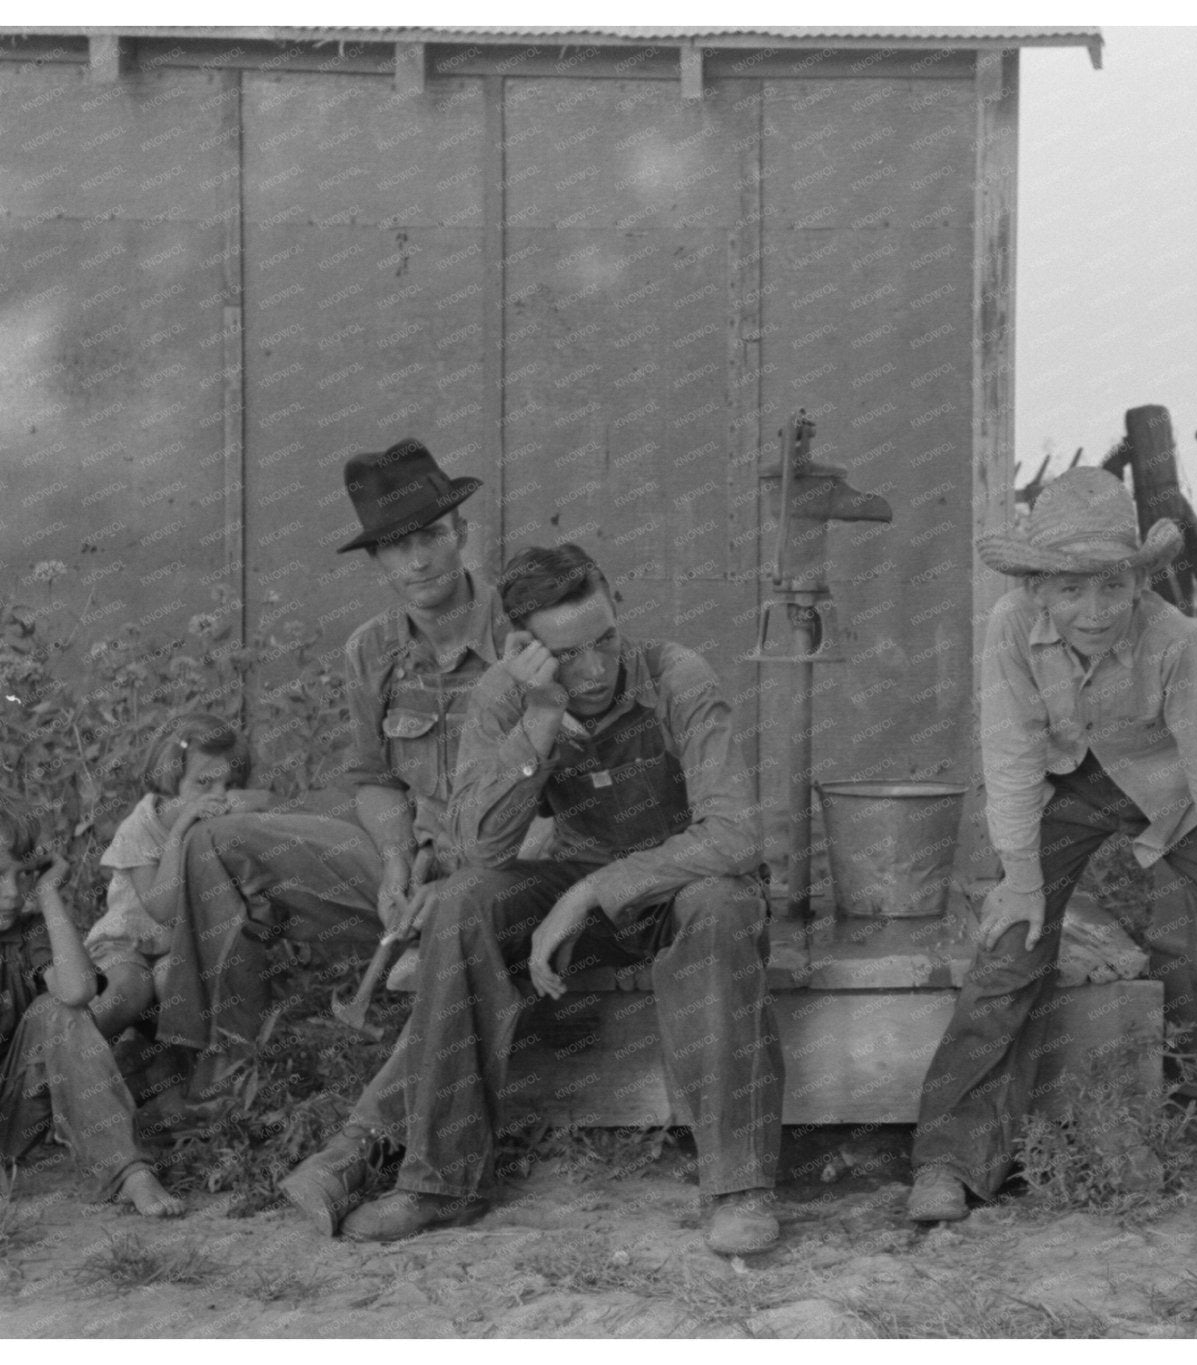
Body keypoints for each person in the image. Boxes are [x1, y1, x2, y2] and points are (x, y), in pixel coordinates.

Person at [280, 542, 782, 1253]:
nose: (595, 669)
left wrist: (587, 891)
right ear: (524, 647)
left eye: (605, 640)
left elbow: (734, 835)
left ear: (619, 610)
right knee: (463, 902)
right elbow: (480, 850)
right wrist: (541, 719)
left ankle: (738, 1184)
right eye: (566, 656)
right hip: (579, 896)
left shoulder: (678, 675)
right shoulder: (505, 696)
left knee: (723, 903)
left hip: (680, 890)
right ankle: (439, 1181)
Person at [906, 468, 1197, 1225]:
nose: (1094, 610)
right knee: (1010, 941)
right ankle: (951, 1158)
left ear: (1138, 584)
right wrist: (1019, 875)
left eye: (1111, 587)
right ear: (1038, 588)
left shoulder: (1174, 639)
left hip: (1168, 788)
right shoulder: (1009, 628)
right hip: (1058, 787)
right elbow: (1008, 751)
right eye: (1070, 590)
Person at [154, 439, 509, 1090]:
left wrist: (471, 872)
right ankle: (223, 1072)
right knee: (215, 842)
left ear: (461, 531)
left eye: (431, 533)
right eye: (397, 545)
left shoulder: (523, 634)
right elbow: (375, 779)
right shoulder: (372, 651)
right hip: (415, 868)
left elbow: (563, 802)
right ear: (377, 560)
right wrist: (397, 861)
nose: (419, 557)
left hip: (507, 875)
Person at [0, 783, 183, 1216]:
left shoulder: (27, 933)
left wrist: (49, 895)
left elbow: (78, 991)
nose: (12, 893)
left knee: (57, 1010)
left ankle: (126, 1171)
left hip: (12, 1120)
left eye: (23, 874)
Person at [84, 711, 273, 1039]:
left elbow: (270, 803)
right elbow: (164, 910)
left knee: (175, 981)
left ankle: (169, 1057)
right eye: (204, 782)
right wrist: (178, 835)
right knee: (128, 989)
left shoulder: (220, 826)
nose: (218, 795)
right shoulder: (140, 828)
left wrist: (254, 803)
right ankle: (71, 1057)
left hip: (178, 948)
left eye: (229, 784)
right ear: (172, 779)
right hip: (125, 943)